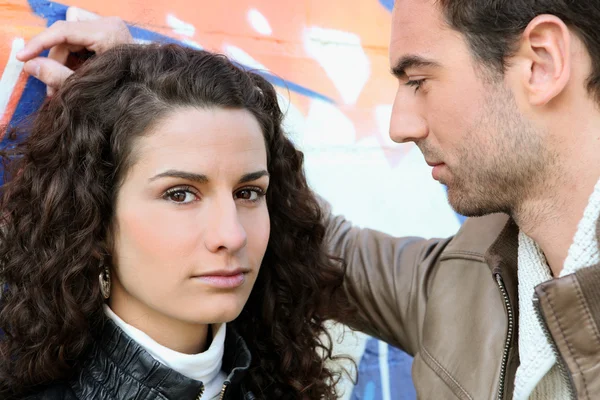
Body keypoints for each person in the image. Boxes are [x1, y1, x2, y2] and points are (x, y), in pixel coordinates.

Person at [14, 1, 600, 399]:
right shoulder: (466, 282)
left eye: (419, 80)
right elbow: (307, 234)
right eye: (180, 193)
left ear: (542, 62)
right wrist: (137, 94)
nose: (399, 124)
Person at [0, 43, 353, 399]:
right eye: (180, 194)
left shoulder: (292, 387)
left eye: (248, 193)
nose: (231, 236)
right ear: (95, 215)